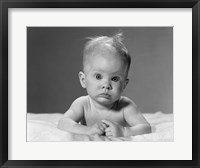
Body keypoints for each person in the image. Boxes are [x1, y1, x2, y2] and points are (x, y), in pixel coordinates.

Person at [57, 33, 151, 138]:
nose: (106, 85)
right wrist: (88, 130)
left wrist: (124, 131)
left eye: (115, 79)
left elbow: (145, 127)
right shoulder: (83, 104)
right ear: (83, 80)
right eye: (98, 76)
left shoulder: (126, 106)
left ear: (124, 85)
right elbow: (63, 123)